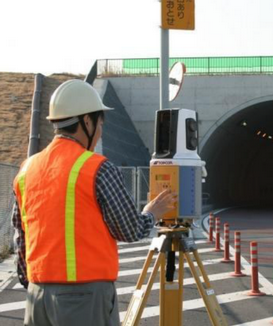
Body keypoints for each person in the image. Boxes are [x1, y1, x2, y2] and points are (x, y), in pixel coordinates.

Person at [11, 79, 176, 326]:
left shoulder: (26, 169)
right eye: (100, 123)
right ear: (86, 121)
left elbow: (21, 237)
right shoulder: (96, 167)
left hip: (37, 296)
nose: (100, 131)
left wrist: (34, 284)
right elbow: (130, 229)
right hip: (84, 297)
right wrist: (151, 213)